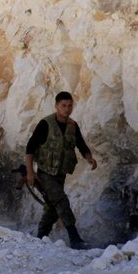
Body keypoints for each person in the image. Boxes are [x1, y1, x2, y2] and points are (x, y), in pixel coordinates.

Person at [24, 91, 98, 250]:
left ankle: (40, 238)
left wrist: (89, 157)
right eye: (63, 106)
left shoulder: (72, 125)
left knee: (52, 207)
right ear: (56, 106)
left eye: (70, 106)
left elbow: (81, 144)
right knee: (61, 201)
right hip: (45, 173)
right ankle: (75, 238)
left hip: (60, 174)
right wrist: (31, 172)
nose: (67, 109)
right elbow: (30, 148)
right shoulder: (46, 124)